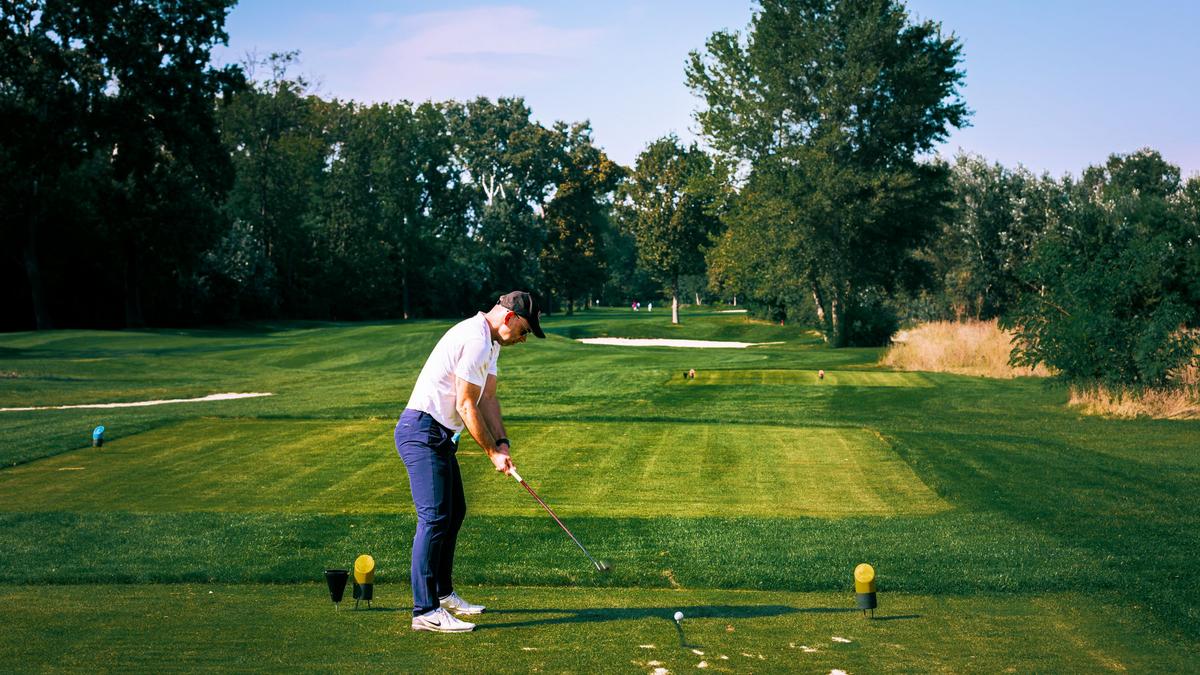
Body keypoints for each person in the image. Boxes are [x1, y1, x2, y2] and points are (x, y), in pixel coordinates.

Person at [395, 291, 545, 633]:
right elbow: (466, 404)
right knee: (435, 518)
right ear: (509, 318)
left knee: (454, 512)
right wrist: (491, 453)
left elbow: (487, 397)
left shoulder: (490, 343)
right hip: (422, 431)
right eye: (523, 331)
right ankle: (425, 611)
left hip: (439, 436)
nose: (523, 339)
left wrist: (502, 443)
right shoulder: (475, 339)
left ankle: (442, 594)